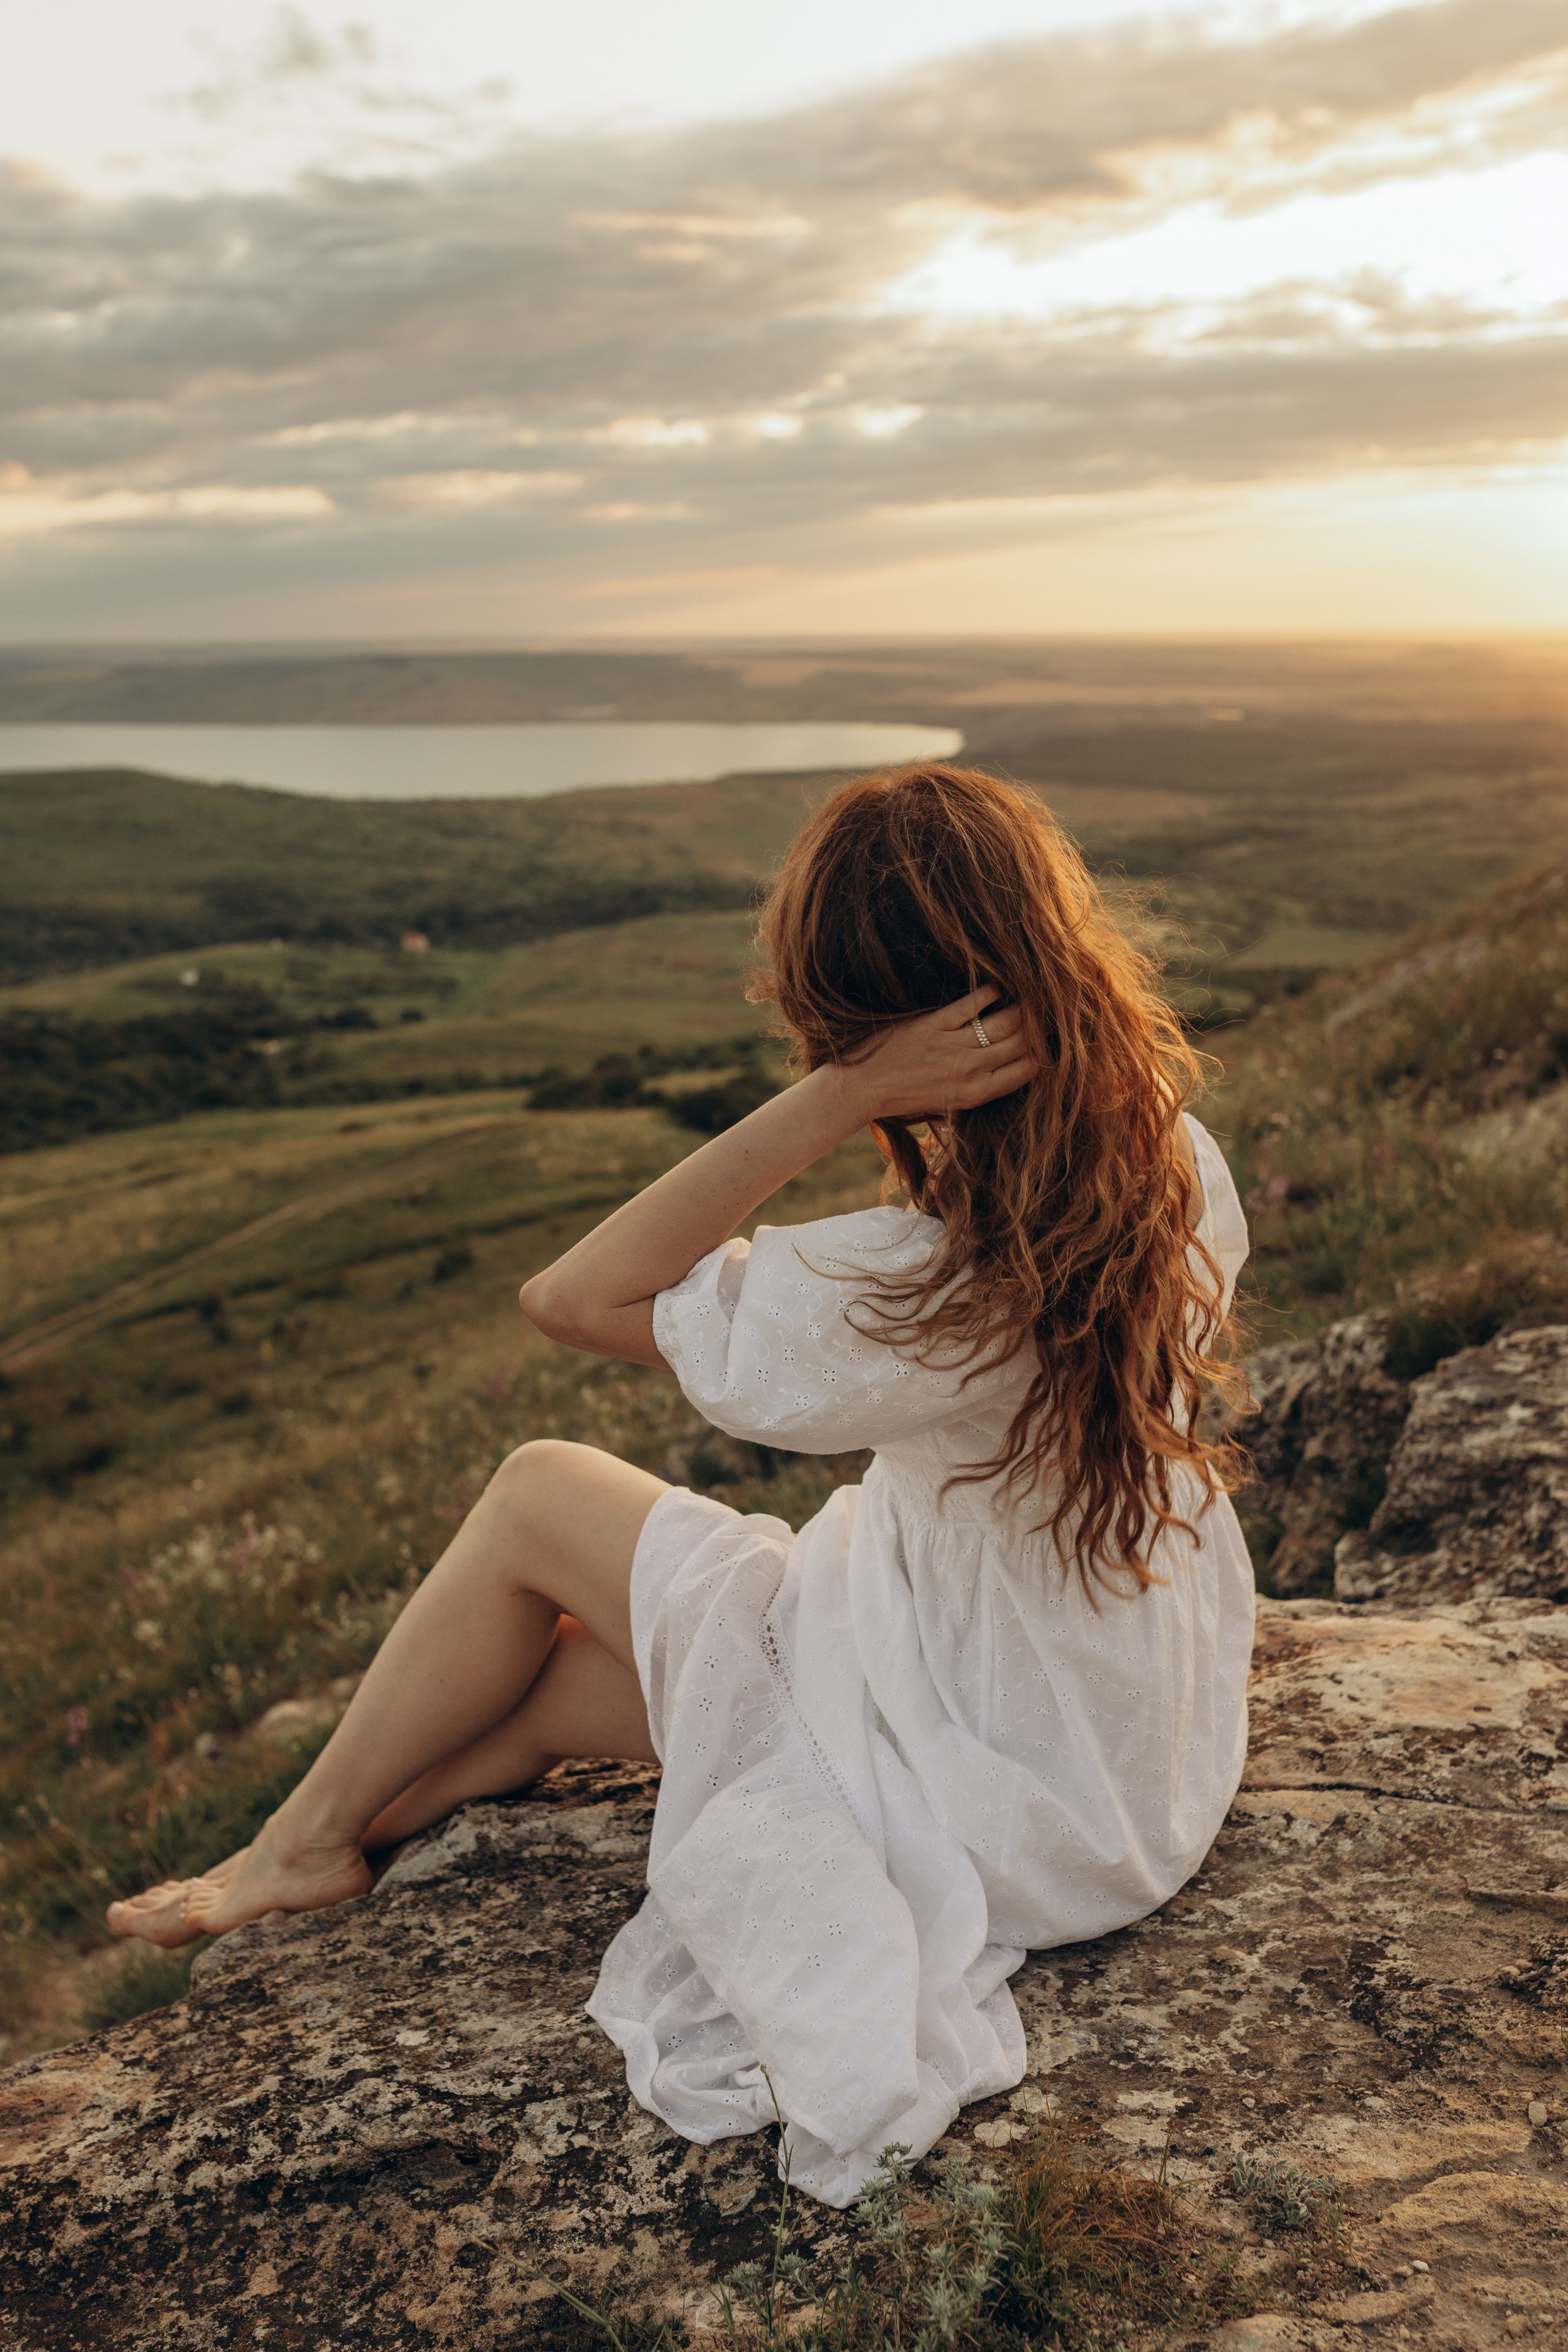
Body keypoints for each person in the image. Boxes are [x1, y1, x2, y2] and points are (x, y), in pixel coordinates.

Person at [107, 763, 1253, 2209]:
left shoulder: (926, 1293)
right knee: (550, 1689)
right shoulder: (1165, 1158)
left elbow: (573, 1296)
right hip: (1108, 1760)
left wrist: (839, 1102)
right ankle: (350, 1847)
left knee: (535, 1491)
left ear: (875, 1027)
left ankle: (300, 1839)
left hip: (969, 1763)